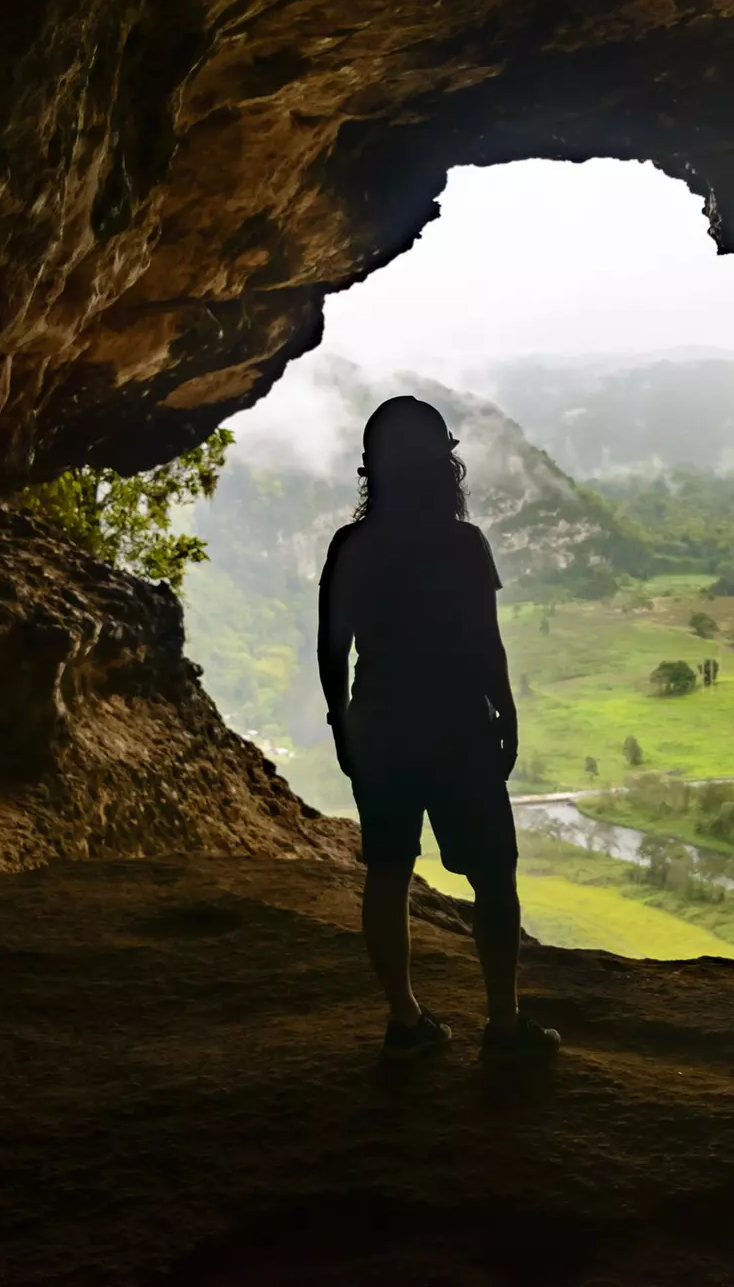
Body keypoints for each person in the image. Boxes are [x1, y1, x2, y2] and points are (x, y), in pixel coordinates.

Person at [317, 395, 560, 1063]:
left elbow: (331, 649)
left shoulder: (351, 547)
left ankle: (404, 1020)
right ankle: (504, 1027)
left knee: (388, 873)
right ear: (441, 466)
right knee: (494, 878)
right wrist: (505, 713)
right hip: (457, 726)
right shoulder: (462, 544)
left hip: (380, 729)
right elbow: (486, 643)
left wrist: (343, 727)